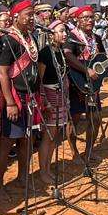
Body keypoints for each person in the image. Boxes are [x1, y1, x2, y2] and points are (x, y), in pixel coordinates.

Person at [0, 0, 40, 200]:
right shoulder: (8, 40)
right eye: (28, 14)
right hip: (15, 98)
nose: (32, 18)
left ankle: (23, 176)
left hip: (30, 96)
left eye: (33, 14)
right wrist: (10, 103)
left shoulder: (32, 38)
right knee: (7, 142)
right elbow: (3, 72)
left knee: (27, 140)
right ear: (15, 16)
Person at [65, 5, 103, 164]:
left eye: (91, 17)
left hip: (92, 87)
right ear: (77, 20)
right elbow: (67, 55)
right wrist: (86, 70)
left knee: (95, 119)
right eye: (85, 18)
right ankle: (74, 152)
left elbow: (101, 60)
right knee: (73, 119)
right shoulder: (72, 37)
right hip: (76, 85)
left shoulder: (97, 38)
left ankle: (89, 151)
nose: (89, 20)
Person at [37, 19, 70, 187]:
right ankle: (42, 171)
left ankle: (48, 168)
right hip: (49, 98)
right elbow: (40, 80)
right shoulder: (44, 53)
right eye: (61, 31)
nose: (65, 34)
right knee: (48, 136)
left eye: (65, 31)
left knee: (55, 136)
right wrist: (45, 102)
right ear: (51, 35)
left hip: (60, 97)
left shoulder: (61, 52)